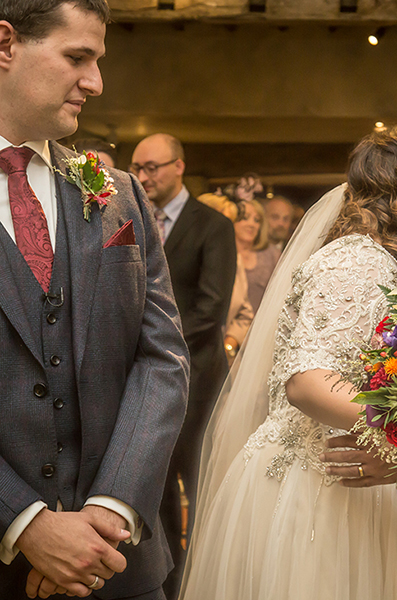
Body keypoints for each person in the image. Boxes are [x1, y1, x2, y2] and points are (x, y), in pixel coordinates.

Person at [178, 121, 397, 600]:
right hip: (318, 487)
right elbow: (308, 381)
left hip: (356, 477)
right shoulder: (356, 262)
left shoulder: (386, 263)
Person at [0, 1, 189, 598]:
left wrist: (110, 509)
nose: (96, 83)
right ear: (5, 44)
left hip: (120, 566)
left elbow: (163, 359)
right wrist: (25, 523)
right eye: (76, 57)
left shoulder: (120, 197)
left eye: (98, 60)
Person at [130, 133, 237, 598]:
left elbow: (211, 307)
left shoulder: (212, 224)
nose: (144, 177)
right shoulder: (127, 215)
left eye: (153, 167)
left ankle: (206, 579)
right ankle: (170, 581)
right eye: (138, 167)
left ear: (179, 167)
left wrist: (149, 343)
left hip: (199, 376)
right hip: (146, 379)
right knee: (156, 482)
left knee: (199, 479)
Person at [196, 192, 253, 363]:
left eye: (230, 224)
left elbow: (244, 312)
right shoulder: (184, 258)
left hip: (220, 361)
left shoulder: (235, 260)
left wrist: (229, 344)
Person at [234, 199, 281, 313]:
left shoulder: (272, 255)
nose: (252, 224)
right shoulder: (220, 253)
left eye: (257, 220)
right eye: (245, 218)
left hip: (260, 325)